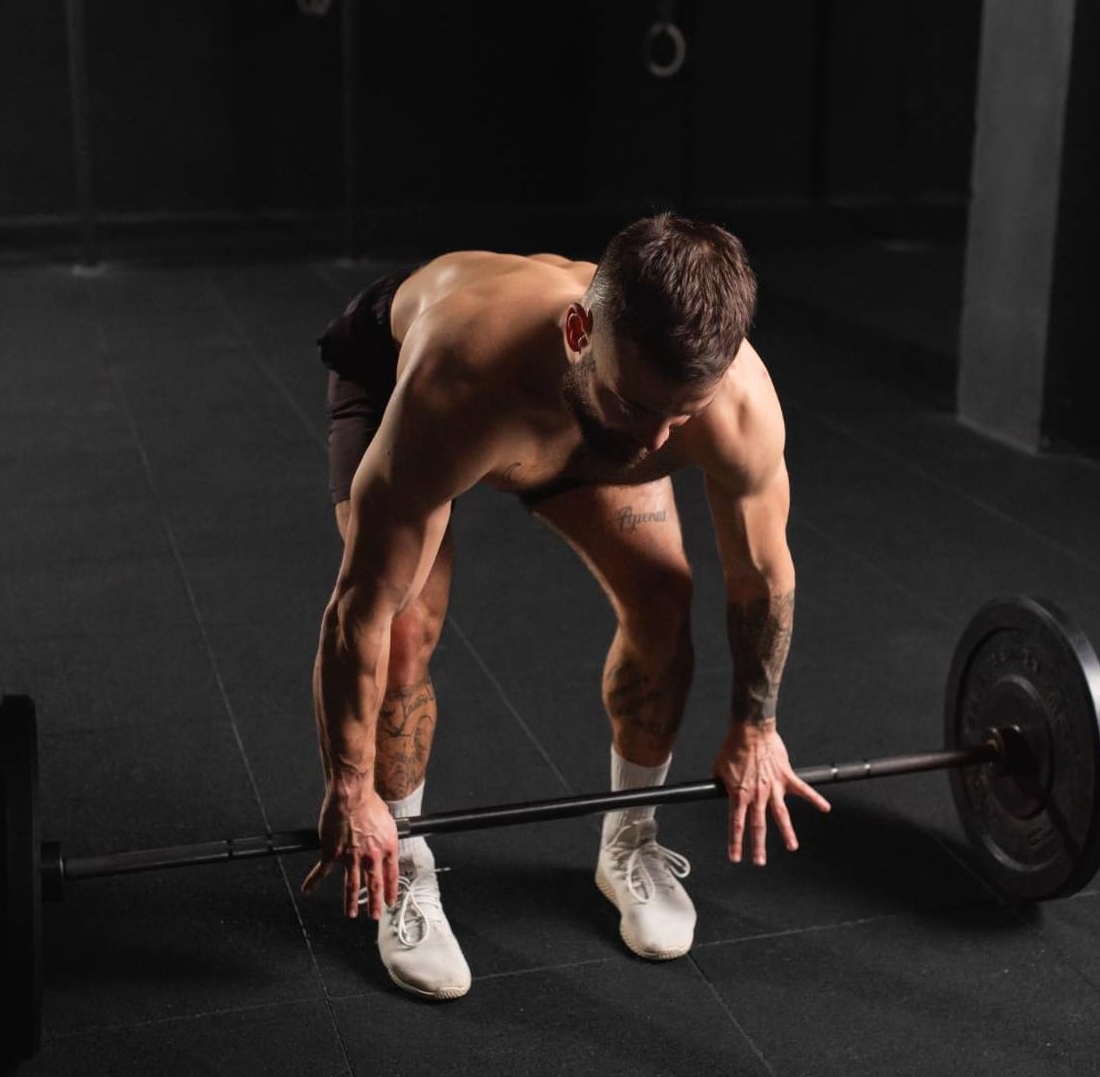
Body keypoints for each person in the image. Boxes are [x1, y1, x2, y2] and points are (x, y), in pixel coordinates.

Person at [302, 214, 829, 1000]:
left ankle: (629, 837)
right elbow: (358, 615)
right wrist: (351, 790)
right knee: (406, 623)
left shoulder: (722, 407)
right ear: (580, 329)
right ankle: (403, 854)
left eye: (679, 415)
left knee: (662, 597)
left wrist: (757, 726)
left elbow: (762, 575)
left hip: (579, 422)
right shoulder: (459, 376)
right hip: (419, 382)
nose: (656, 442)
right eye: (640, 404)